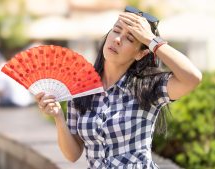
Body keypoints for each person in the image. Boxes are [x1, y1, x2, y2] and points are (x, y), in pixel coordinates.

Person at [35, 6, 202, 169]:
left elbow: (192, 78)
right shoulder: (81, 88)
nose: (117, 39)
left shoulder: (147, 87)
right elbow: (72, 155)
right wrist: (58, 117)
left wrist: (151, 40)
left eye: (130, 38)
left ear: (140, 53)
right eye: (116, 30)